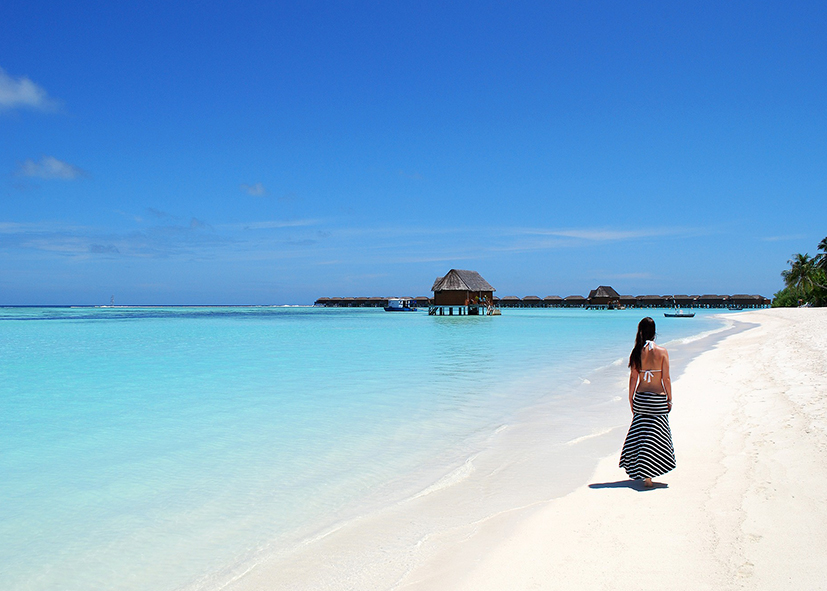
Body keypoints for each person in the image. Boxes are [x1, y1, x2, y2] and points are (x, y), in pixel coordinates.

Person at [619, 317, 676, 487]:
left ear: (641, 331)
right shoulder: (663, 352)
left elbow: (634, 377)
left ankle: (645, 475)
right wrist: (670, 398)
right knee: (656, 436)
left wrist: (630, 398)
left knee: (640, 436)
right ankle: (650, 473)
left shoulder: (636, 351)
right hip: (657, 399)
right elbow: (665, 377)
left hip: (642, 398)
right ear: (655, 332)